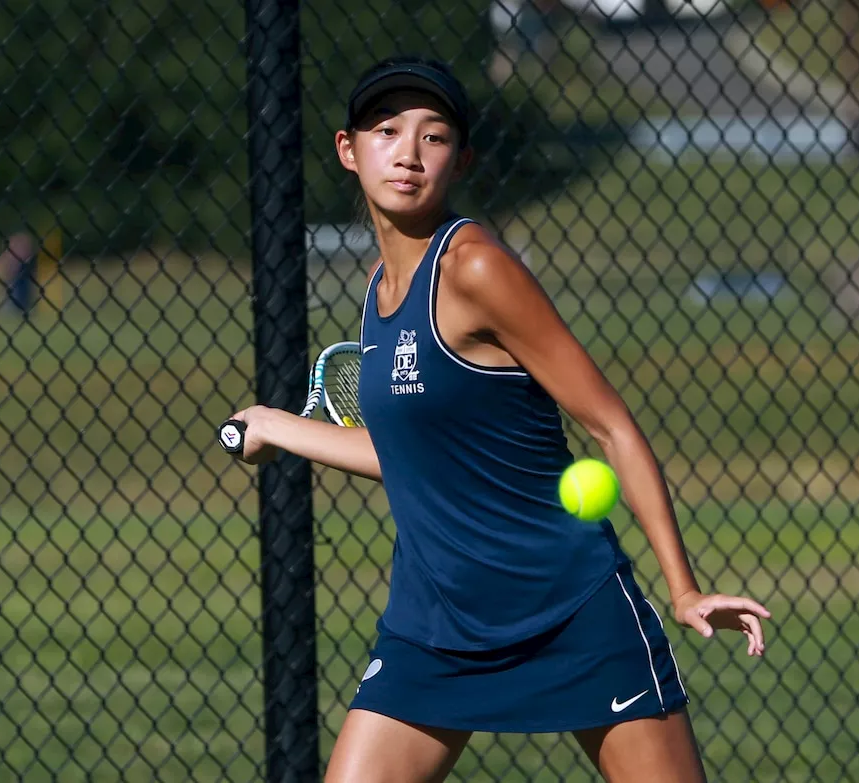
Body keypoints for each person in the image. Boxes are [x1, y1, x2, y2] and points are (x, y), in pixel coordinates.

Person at [226, 56, 771, 783]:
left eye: (436, 136)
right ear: (348, 151)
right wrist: (275, 423)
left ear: (462, 159)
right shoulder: (376, 291)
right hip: (435, 624)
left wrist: (683, 587)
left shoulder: (477, 268)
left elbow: (612, 426)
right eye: (387, 131)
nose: (410, 154)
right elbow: (413, 454)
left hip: (570, 608)